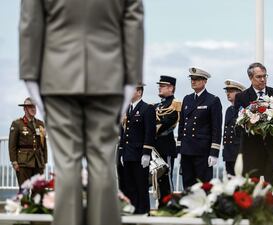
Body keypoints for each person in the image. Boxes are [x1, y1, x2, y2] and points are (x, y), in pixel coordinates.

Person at [19, 0, 144, 224]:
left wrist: (30, 74)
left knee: (67, 165)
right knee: (103, 164)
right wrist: (131, 77)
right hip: (108, 76)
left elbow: (31, 22)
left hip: (58, 76)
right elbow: (133, 20)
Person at [234, 62, 273, 187]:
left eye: (265, 76)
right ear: (251, 78)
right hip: (251, 150)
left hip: (271, 149)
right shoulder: (241, 97)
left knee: (271, 189)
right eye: (259, 76)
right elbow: (238, 122)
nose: (263, 79)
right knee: (251, 189)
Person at [177, 67, 222, 189]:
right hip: (186, 149)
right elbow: (182, 125)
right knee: (188, 185)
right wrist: (179, 148)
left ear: (204, 81)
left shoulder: (212, 100)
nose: (193, 81)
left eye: (196, 79)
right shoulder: (187, 99)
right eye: (192, 79)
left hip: (202, 151)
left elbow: (216, 128)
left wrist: (214, 153)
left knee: (203, 186)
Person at [118, 85, 156, 214]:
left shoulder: (147, 108)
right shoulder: (128, 109)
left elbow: (149, 132)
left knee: (141, 185)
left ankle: (144, 212)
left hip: (140, 154)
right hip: (128, 153)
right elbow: (124, 133)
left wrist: (146, 153)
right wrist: (122, 151)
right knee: (130, 185)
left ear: (139, 92)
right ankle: (133, 211)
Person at [8, 97, 47, 188]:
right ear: (24, 109)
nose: (33, 109)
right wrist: (14, 161)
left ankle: (35, 203)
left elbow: (43, 144)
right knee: (24, 190)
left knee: (38, 190)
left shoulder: (40, 124)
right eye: (30, 107)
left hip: (38, 161)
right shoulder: (17, 124)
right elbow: (12, 144)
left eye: (34, 107)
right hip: (23, 162)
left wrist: (44, 161)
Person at [154, 75, 181, 204]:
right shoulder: (156, 105)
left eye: (163, 86)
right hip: (155, 148)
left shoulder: (174, 104)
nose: (159, 88)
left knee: (166, 179)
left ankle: (168, 207)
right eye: (160, 85)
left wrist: (152, 127)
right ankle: (160, 206)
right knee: (155, 180)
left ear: (171, 88)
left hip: (165, 147)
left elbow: (168, 122)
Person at [222, 79, 245, 176]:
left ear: (239, 93)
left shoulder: (244, 109)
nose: (228, 94)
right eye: (227, 91)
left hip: (239, 152)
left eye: (231, 91)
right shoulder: (228, 110)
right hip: (228, 152)